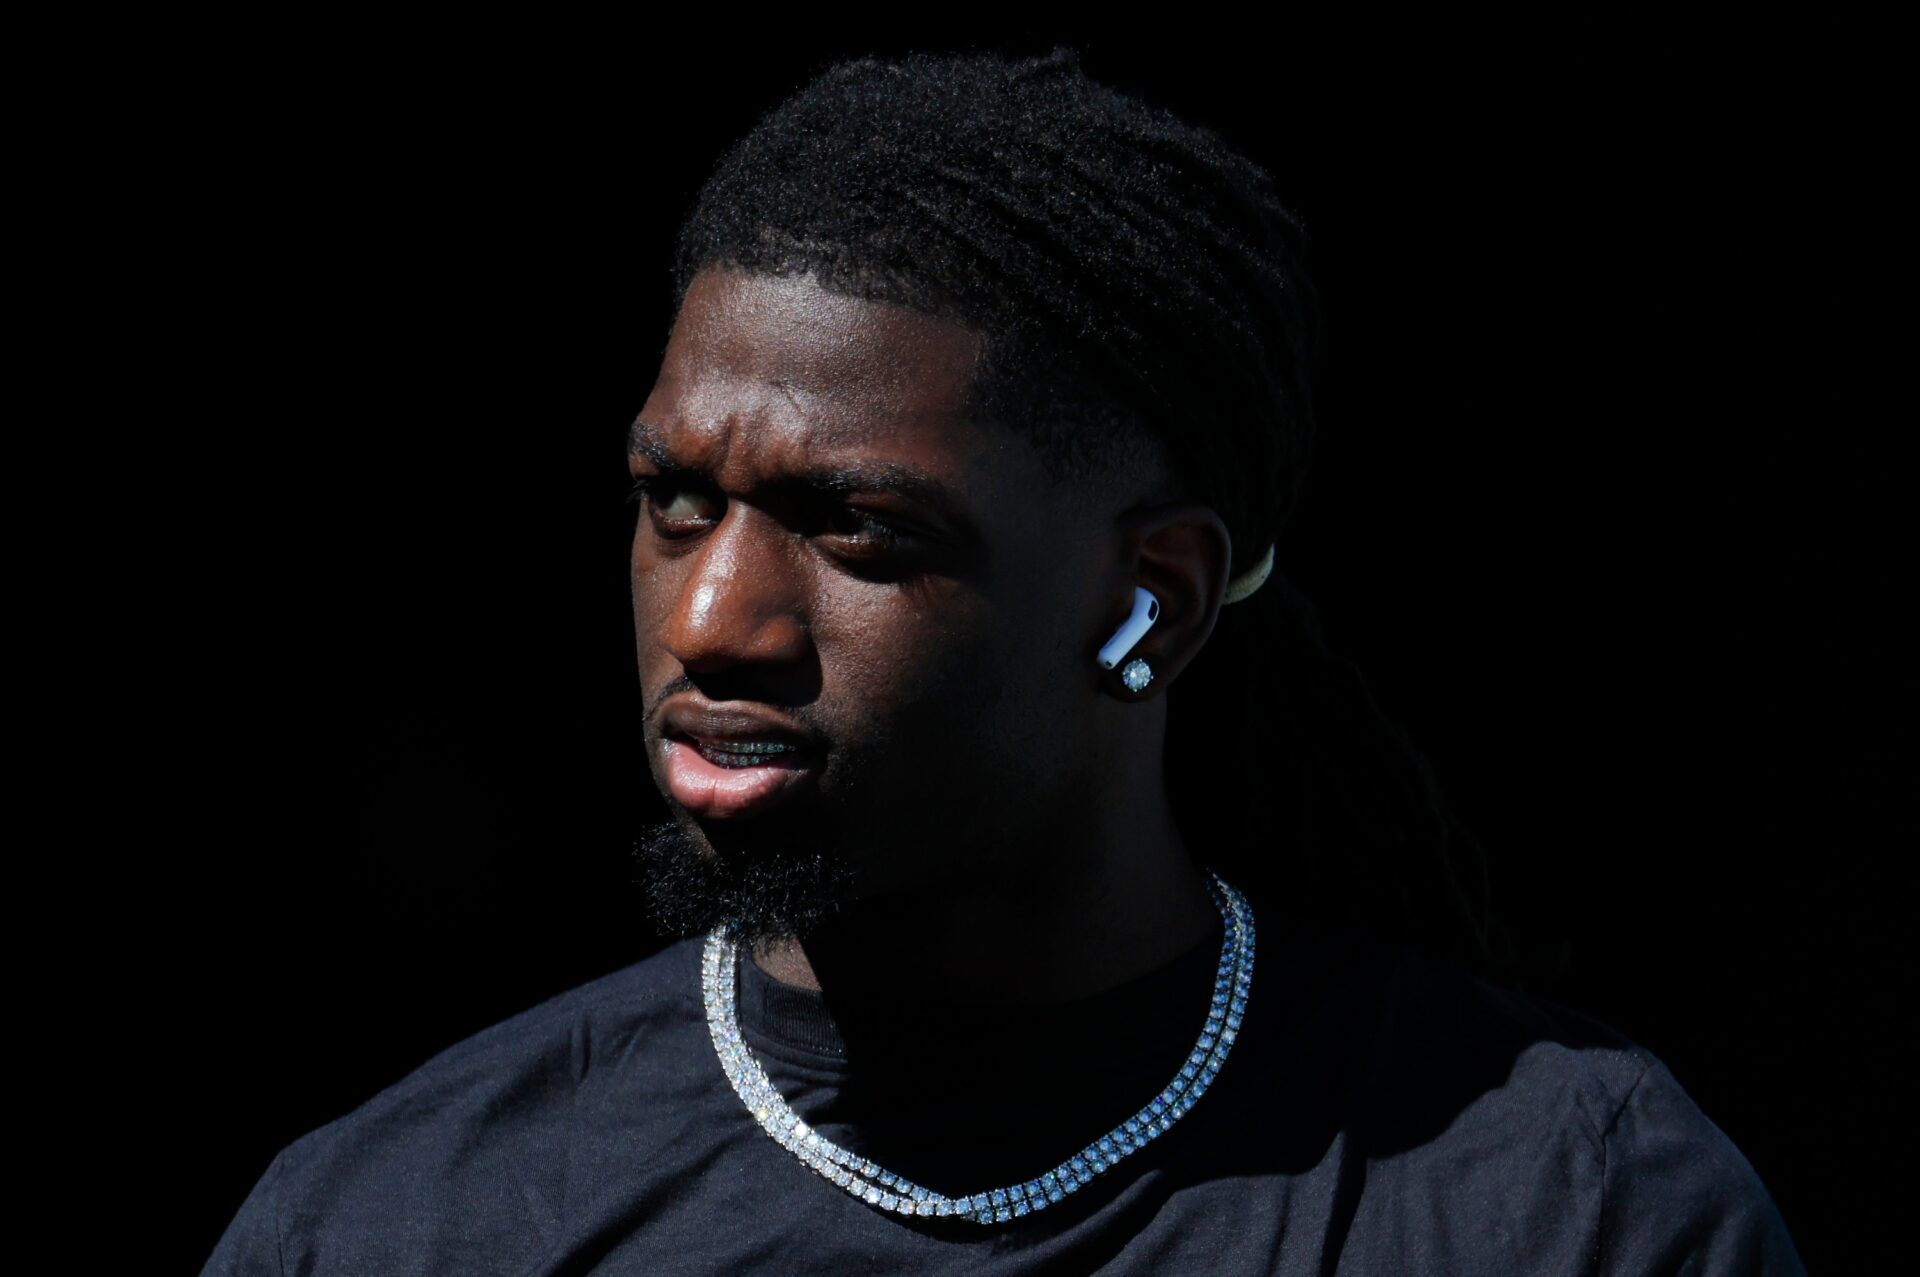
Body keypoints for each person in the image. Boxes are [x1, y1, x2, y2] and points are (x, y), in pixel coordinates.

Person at [202, 47, 1806, 1275]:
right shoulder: (406, 1222)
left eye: (859, 530)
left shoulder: (1567, 1206)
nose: (711, 623)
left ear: (1153, 602)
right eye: (674, 504)